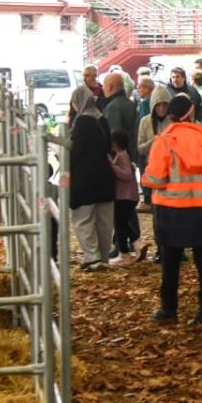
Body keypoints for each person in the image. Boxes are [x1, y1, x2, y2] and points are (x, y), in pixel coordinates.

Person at [143, 93, 202, 323]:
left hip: (172, 210)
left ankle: (169, 310)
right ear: (190, 113)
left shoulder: (163, 141)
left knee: (170, 262)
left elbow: (155, 179)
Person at [66, 85, 115, 271]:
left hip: (85, 178)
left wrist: (64, 161)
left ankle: (92, 257)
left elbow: (77, 151)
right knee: (104, 221)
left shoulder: (82, 122)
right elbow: (108, 145)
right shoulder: (102, 119)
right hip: (105, 176)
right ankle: (103, 257)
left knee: (83, 219)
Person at [110, 137, 142, 263]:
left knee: (120, 223)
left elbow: (127, 174)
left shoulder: (122, 155)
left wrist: (113, 168)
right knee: (121, 223)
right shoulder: (123, 155)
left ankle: (125, 252)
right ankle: (134, 244)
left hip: (125, 196)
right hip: (126, 195)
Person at [101, 72, 139, 166]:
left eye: (104, 85)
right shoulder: (130, 103)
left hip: (119, 159)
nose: (102, 88)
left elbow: (114, 137)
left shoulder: (113, 107)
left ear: (110, 86)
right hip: (133, 154)